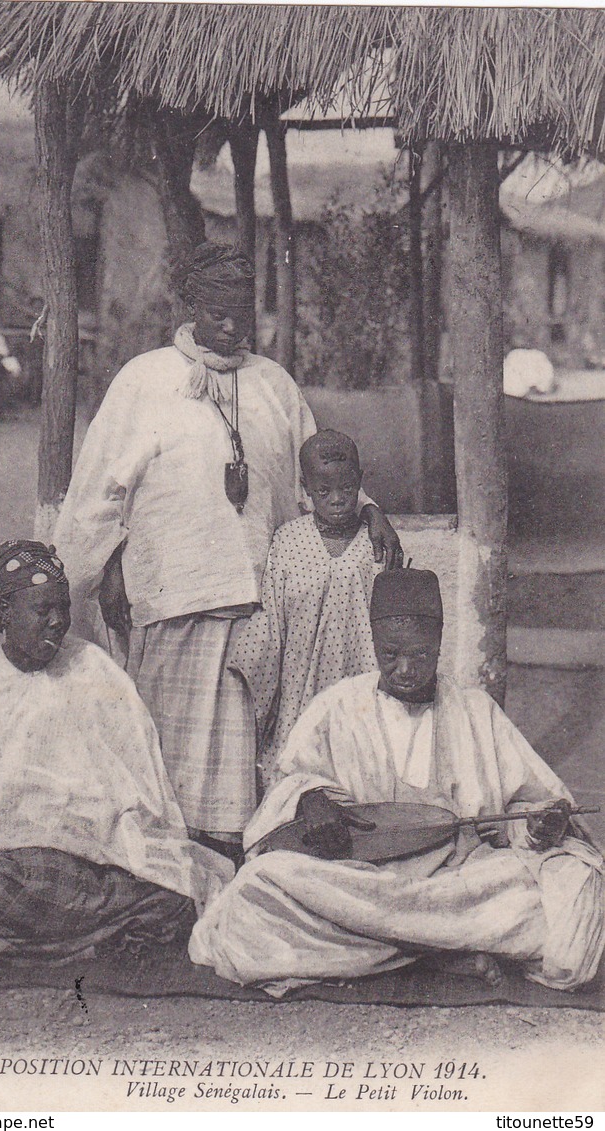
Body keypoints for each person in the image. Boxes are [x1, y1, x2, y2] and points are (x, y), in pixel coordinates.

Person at [53, 242, 402, 859]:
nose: (233, 326)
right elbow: (99, 490)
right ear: (190, 307)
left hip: (258, 601)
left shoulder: (273, 384)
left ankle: (244, 849)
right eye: (218, 313)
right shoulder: (144, 379)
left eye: (243, 311)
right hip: (173, 593)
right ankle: (170, 849)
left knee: (252, 744)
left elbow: (316, 473)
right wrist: (104, 566)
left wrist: (368, 507)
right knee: (170, 756)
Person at [190, 568, 604, 996]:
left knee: (568, 890)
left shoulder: (476, 711)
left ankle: (404, 949)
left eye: (421, 656)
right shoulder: (337, 705)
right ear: (373, 643)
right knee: (260, 885)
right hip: (355, 879)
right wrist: (308, 798)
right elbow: (288, 782)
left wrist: (534, 826)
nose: (405, 669)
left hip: (456, 881)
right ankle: (442, 949)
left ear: (440, 646)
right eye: (390, 655)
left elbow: (530, 803)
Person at [0, 541, 231, 964]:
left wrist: (94, 824)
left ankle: (26, 940)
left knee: (173, 895)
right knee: (21, 879)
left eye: (63, 609)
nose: (56, 622)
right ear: (4, 615)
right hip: (8, 861)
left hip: (92, 851)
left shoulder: (93, 667)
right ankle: (85, 938)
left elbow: (139, 775)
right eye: (42, 611)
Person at [228, 430, 379, 786]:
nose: (338, 500)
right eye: (324, 492)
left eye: (346, 489)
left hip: (360, 681)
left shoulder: (374, 544)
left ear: (359, 481)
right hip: (300, 683)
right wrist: (248, 666)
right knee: (298, 764)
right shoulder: (288, 540)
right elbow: (272, 619)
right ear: (305, 488)